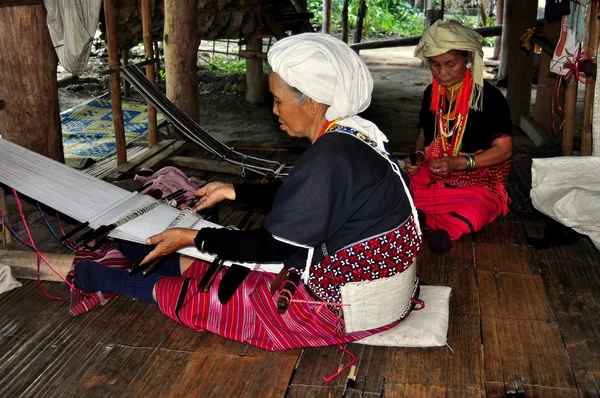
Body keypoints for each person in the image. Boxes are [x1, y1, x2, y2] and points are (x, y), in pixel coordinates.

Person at [74, 33, 422, 353]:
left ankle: (100, 276)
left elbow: (274, 247)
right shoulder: (355, 137)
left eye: (277, 100)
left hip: (345, 308)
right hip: (372, 285)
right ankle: (132, 247)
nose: (274, 111)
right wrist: (233, 191)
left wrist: (191, 236)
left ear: (313, 102)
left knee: (222, 298)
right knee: (225, 264)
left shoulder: (330, 158)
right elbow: (311, 201)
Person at [405, 20, 513, 254]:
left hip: (479, 180)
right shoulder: (431, 93)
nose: (442, 72)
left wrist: (461, 163)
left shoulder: (489, 97)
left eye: (450, 64)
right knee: (398, 182)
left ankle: (420, 216)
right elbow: (425, 133)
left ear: (468, 59)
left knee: (474, 210)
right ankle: (429, 215)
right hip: (436, 172)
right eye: (434, 65)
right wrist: (418, 158)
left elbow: (504, 150)